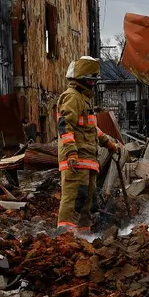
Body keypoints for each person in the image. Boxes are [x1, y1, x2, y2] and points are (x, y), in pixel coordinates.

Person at [57, 56, 123, 233]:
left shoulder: (84, 99)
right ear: (82, 79)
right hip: (76, 160)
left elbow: (92, 130)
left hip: (87, 161)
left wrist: (110, 145)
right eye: (91, 80)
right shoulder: (72, 97)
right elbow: (65, 125)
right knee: (73, 200)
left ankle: (83, 238)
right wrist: (71, 152)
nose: (93, 84)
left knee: (87, 201)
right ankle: (65, 239)